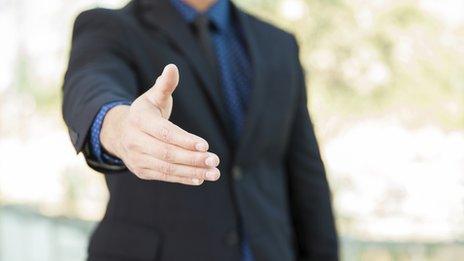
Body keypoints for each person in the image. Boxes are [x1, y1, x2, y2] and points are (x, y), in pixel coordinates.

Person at [62, 0, 338, 260]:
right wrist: (118, 127)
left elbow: (306, 174)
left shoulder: (279, 44)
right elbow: (91, 85)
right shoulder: (110, 27)